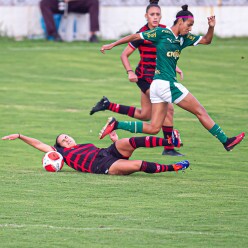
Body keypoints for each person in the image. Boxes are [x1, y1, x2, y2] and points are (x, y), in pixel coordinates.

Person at [99, 5, 245, 152]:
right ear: (180, 22)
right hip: (165, 84)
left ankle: (116, 124)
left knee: (154, 128)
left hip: (157, 86)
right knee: (200, 111)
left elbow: (207, 40)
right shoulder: (161, 33)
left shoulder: (184, 38)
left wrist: (211, 27)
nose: (190, 29)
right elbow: (136, 36)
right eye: (189, 25)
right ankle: (226, 141)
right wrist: (113, 44)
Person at [90, 0, 184, 157]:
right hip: (145, 78)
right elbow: (124, 55)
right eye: (152, 15)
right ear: (146, 16)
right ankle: (168, 147)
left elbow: (164, 54)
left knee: (145, 114)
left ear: (161, 16)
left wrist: (174, 66)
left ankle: (108, 105)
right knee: (168, 108)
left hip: (158, 76)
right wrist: (129, 72)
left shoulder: (164, 31)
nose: (155, 17)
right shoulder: (141, 34)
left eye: (157, 14)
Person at [1, 132, 189, 175]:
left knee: (129, 141)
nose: (66, 140)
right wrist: (19, 136)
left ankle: (169, 141)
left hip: (107, 152)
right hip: (101, 166)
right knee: (137, 165)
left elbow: (120, 147)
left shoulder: (84, 144)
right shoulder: (60, 153)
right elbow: (39, 144)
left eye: (66, 137)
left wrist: (115, 141)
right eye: (62, 140)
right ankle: (173, 167)